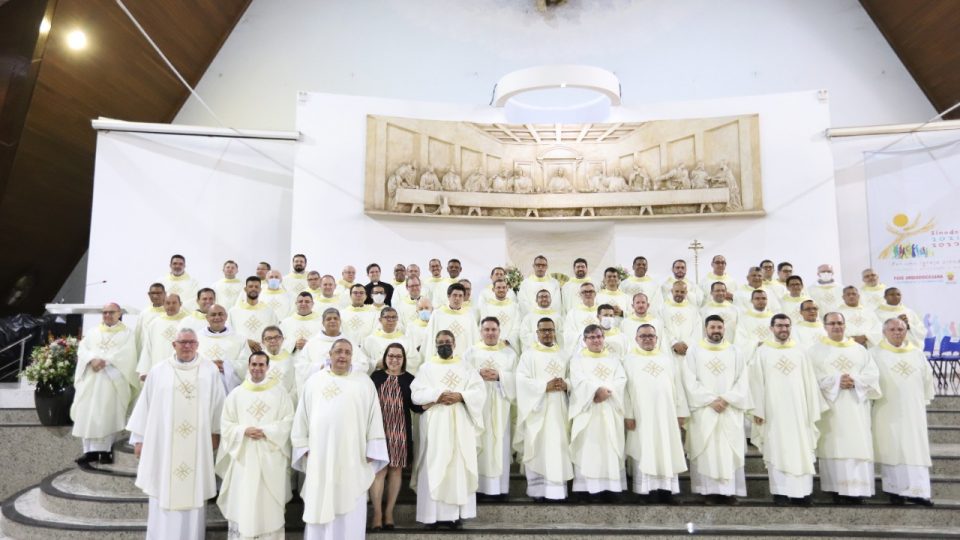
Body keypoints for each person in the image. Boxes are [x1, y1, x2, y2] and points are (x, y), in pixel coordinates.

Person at [127, 328, 225, 540]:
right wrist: (139, 439)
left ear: (197, 344)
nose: (187, 346)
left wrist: (216, 431)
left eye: (191, 342)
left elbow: (218, 404)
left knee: (194, 492)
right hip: (164, 445)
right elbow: (145, 405)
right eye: (182, 342)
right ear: (174, 345)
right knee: (163, 489)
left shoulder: (209, 371)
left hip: (198, 444)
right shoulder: (159, 370)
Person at [292, 339, 388, 539]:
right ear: (330, 354)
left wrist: (373, 448)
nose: (343, 356)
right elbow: (301, 416)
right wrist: (302, 446)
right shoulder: (314, 382)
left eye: (347, 352)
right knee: (320, 499)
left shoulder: (364, 383)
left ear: (352, 356)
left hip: (353, 455)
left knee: (350, 504)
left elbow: (374, 417)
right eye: (338, 352)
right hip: (320, 455)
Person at [215, 351, 294, 540]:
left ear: (267, 367)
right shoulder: (236, 394)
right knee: (244, 500)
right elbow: (226, 424)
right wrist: (243, 431)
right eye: (254, 364)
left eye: (261, 365)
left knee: (268, 504)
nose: (257, 368)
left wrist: (267, 431)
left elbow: (288, 421)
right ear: (248, 366)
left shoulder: (280, 393)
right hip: (244, 457)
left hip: (271, 457)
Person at [411, 331, 486, 529]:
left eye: (448, 342)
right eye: (440, 342)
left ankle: (454, 516)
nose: (444, 345)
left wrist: (461, 396)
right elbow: (416, 394)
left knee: (457, 466)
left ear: (454, 344)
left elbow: (479, 391)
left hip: (460, 425)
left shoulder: (466, 367)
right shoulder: (426, 368)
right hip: (435, 425)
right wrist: (438, 395)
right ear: (435, 345)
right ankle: (430, 517)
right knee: (434, 465)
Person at [749, 314, 825, 506]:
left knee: (801, 448)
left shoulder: (801, 351)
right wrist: (758, 410)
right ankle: (780, 492)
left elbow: (809, 382)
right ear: (771, 328)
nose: (783, 329)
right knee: (776, 448)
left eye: (786, 325)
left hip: (799, 411)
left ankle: (804, 493)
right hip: (773, 411)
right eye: (779, 326)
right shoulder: (762, 352)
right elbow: (756, 383)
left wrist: (811, 408)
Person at [810, 312, 881, 504]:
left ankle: (858, 490)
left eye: (840, 323)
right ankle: (837, 490)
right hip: (831, 409)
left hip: (856, 406)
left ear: (845, 325)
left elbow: (872, 375)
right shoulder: (815, 351)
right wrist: (835, 381)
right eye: (832, 323)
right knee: (835, 445)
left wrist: (855, 381)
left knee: (857, 445)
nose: (836, 327)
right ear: (824, 326)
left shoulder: (859, 350)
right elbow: (809, 380)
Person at [682, 315, 751, 505]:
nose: (716, 330)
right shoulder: (694, 351)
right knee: (706, 449)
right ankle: (707, 491)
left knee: (728, 450)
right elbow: (689, 380)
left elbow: (742, 380)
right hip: (705, 410)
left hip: (729, 409)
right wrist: (711, 400)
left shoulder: (735, 351)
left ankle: (729, 492)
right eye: (712, 327)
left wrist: (727, 399)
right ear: (706, 329)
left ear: (724, 329)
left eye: (719, 327)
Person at [871, 318, 936, 506]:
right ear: (884, 332)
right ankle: (895, 491)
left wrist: (922, 400)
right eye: (892, 329)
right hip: (887, 408)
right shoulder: (874, 354)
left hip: (913, 409)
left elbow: (927, 379)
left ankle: (919, 491)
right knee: (892, 447)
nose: (897, 332)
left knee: (915, 448)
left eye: (901, 329)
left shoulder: (916, 354)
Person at [622, 325, 688, 504]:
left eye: (651, 336)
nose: (647, 339)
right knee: (645, 450)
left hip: (666, 415)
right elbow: (625, 391)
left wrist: (681, 412)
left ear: (656, 338)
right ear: (636, 339)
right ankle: (644, 492)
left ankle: (667, 491)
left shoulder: (667, 359)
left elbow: (678, 386)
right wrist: (628, 414)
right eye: (643, 336)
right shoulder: (628, 360)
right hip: (641, 416)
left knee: (666, 450)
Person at [71, 303, 138, 464]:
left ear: (119, 313)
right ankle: (89, 452)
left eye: (111, 312)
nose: (107, 315)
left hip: (113, 380)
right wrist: (91, 359)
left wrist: (105, 361)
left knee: (109, 414)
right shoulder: (93, 331)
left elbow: (128, 354)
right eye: (105, 312)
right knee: (88, 413)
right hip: (92, 379)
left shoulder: (128, 333)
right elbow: (83, 349)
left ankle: (107, 451)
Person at [515, 317, 573, 501]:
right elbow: (521, 381)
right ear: (537, 333)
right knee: (538, 446)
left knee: (558, 447)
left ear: (555, 332)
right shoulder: (528, 355)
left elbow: (574, 379)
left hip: (559, 409)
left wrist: (567, 384)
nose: (547, 333)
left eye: (550, 330)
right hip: (537, 409)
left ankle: (557, 490)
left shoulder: (564, 355)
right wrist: (543, 386)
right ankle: (538, 492)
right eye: (543, 330)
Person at [569, 325, 628, 500]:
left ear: (604, 338)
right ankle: (587, 489)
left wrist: (606, 391)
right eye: (592, 337)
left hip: (610, 408)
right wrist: (595, 391)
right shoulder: (576, 360)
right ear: (585, 340)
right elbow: (577, 381)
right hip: (588, 410)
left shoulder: (614, 359)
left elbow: (621, 379)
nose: (596, 340)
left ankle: (611, 489)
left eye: (599, 336)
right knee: (589, 449)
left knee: (610, 447)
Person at [369, 344, 424, 530]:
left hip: (400, 431)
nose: (394, 360)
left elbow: (416, 406)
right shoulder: (375, 377)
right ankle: (377, 513)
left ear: (404, 359)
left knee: (395, 471)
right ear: (385, 357)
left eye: (398, 357)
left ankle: (389, 512)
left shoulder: (410, 379)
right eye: (391, 356)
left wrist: (436, 400)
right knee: (379, 471)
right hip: (377, 431)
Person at [464, 317, 518, 497]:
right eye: (486, 329)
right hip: (479, 406)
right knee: (480, 442)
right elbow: (464, 375)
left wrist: (500, 376)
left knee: (499, 443)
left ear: (499, 331)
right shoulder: (471, 352)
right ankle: (479, 488)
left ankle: (500, 489)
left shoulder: (509, 353)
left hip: (501, 405)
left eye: (494, 329)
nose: (490, 333)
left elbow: (518, 378)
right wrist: (477, 374)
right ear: (480, 332)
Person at [196, 304, 246, 393]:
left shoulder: (239, 339)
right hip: (202, 387)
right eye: (213, 314)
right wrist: (209, 366)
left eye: (220, 314)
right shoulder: (196, 338)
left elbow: (247, 364)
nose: (217, 317)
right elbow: (190, 361)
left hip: (230, 390)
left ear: (226, 316)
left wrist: (226, 365)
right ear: (207, 317)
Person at [422, 283, 479, 360]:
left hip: (463, 362)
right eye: (454, 295)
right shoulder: (437, 315)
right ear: (448, 296)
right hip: (442, 360)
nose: (457, 298)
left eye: (460, 296)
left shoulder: (469, 316)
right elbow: (430, 339)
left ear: (464, 298)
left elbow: (475, 340)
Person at [137, 293, 188, 379]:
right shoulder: (154, 324)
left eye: (174, 303)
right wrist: (144, 371)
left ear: (180, 304)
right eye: (168, 303)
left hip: (183, 369)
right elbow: (148, 347)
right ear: (164, 305)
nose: (171, 306)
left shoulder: (187, 321)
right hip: (158, 369)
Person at [363, 307, 421, 375]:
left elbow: (415, 360)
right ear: (380, 320)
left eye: (394, 317)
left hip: (399, 379)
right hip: (377, 378)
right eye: (387, 317)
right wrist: (376, 364)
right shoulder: (369, 340)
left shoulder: (405, 340)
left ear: (397, 319)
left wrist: (396, 364)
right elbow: (362, 361)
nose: (391, 320)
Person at [229, 277, 279, 351]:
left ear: (260, 290)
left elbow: (275, 334)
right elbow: (229, 334)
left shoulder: (269, 312)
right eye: (250, 286)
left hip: (263, 352)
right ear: (245, 289)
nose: (253, 289)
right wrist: (246, 342)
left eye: (256, 287)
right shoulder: (233, 312)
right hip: (241, 353)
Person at [661, 281, 702, 358]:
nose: (679, 294)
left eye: (682, 292)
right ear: (672, 291)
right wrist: (673, 343)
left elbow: (697, 330)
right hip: (670, 350)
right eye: (677, 291)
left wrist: (687, 343)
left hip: (688, 350)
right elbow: (662, 328)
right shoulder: (663, 308)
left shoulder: (693, 310)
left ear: (686, 293)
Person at [479, 279, 520, 352]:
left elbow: (517, 326)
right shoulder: (487, 307)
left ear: (507, 289)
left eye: (504, 287)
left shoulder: (515, 307)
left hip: (509, 346)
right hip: (491, 345)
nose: (501, 290)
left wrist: (508, 340)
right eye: (498, 287)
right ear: (493, 289)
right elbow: (483, 326)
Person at [734, 290, 774, 359]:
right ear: (752, 301)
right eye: (757, 298)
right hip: (751, 356)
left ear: (767, 300)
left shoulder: (774, 318)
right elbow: (740, 340)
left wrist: (769, 344)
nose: (761, 301)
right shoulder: (744, 319)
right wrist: (756, 344)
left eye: (763, 298)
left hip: (770, 353)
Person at [135, 283, 166, 352]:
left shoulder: (170, 313)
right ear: (149, 295)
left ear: (164, 294)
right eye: (153, 293)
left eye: (158, 293)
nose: (155, 296)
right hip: (146, 350)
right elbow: (138, 336)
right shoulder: (144, 314)